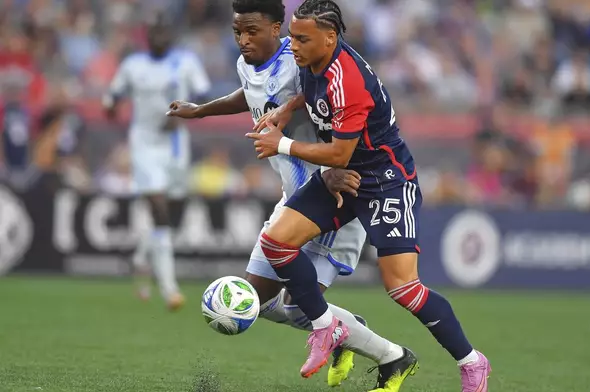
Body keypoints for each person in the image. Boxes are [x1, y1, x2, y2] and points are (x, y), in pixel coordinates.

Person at [165, 0, 413, 389]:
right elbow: (248, 94)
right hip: (292, 197)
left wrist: (334, 170)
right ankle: (343, 331)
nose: (243, 40)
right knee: (261, 301)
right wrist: (200, 111)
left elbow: (335, 110)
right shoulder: (246, 63)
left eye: (252, 31)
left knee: (302, 305)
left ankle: (392, 357)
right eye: (237, 32)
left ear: (277, 28)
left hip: (329, 198)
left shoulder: (302, 61)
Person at [247, 1, 492, 391]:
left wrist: (283, 143)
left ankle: (472, 362)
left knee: (403, 288)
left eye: (301, 38)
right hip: (342, 179)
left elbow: (339, 153)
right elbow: (313, 97)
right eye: (291, 36)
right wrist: (287, 109)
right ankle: (326, 327)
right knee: (276, 242)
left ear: (330, 37)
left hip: (385, 181)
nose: (291, 44)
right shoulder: (312, 59)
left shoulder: (349, 80)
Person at [103, 14, 212, 310]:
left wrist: (187, 113)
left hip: (176, 146)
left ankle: (141, 257)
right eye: (154, 32)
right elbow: (112, 96)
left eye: (164, 32)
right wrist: (110, 107)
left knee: (173, 213)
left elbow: (204, 95)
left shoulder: (186, 62)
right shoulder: (133, 66)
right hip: (145, 144)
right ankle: (169, 288)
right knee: (159, 210)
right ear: (147, 36)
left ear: (172, 36)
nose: (159, 37)